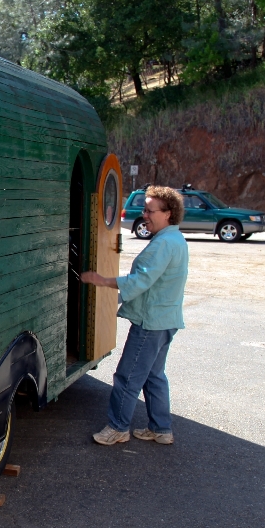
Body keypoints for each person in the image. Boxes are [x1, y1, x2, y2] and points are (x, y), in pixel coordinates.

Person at [81, 185, 189, 446]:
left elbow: (142, 280)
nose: (145, 215)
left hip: (151, 323)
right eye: (145, 209)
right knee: (154, 375)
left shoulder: (163, 244)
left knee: (128, 377)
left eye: (150, 210)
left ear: (168, 213)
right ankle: (162, 429)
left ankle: (118, 427)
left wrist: (102, 280)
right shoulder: (174, 239)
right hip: (165, 321)